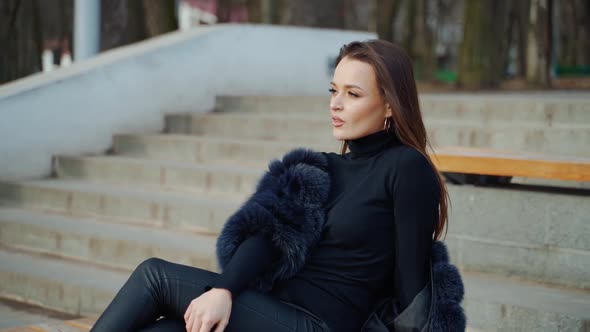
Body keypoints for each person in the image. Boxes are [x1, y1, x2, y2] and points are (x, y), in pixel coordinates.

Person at [89, 39, 457, 332]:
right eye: (333, 91)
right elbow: (267, 237)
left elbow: (412, 285)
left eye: (353, 94)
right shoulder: (319, 168)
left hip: (321, 324)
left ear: (390, 105)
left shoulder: (406, 168)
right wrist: (224, 290)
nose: (336, 104)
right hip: (272, 311)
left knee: (155, 277)